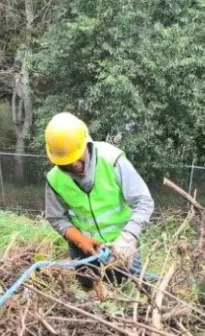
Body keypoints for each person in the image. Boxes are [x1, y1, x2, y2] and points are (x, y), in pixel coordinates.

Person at [43, 112, 154, 288]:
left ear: (86, 144)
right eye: (66, 163)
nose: (74, 166)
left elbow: (143, 202)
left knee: (130, 289)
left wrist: (127, 238)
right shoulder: (55, 179)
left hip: (121, 245)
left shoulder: (112, 160)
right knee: (87, 292)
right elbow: (56, 217)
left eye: (76, 158)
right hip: (84, 248)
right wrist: (80, 240)